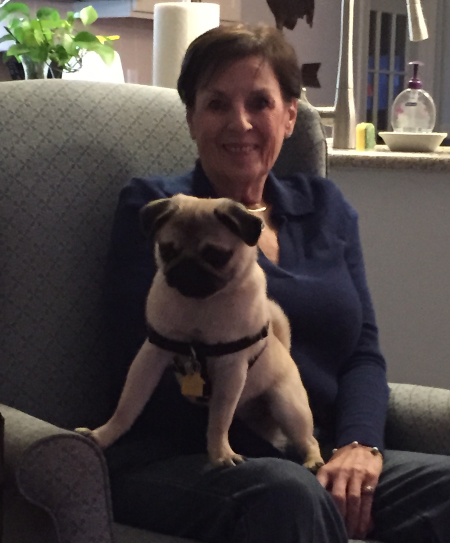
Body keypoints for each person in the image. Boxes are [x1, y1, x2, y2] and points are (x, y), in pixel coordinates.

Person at [103, 23, 450, 543]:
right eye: (217, 103)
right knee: (289, 493)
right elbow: (143, 347)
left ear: (290, 115)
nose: (239, 122)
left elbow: (362, 353)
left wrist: (359, 446)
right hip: (186, 457)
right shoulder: (157, 209)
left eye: (260, 103)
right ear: (193, 118)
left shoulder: (326, 209)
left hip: (313, 450)